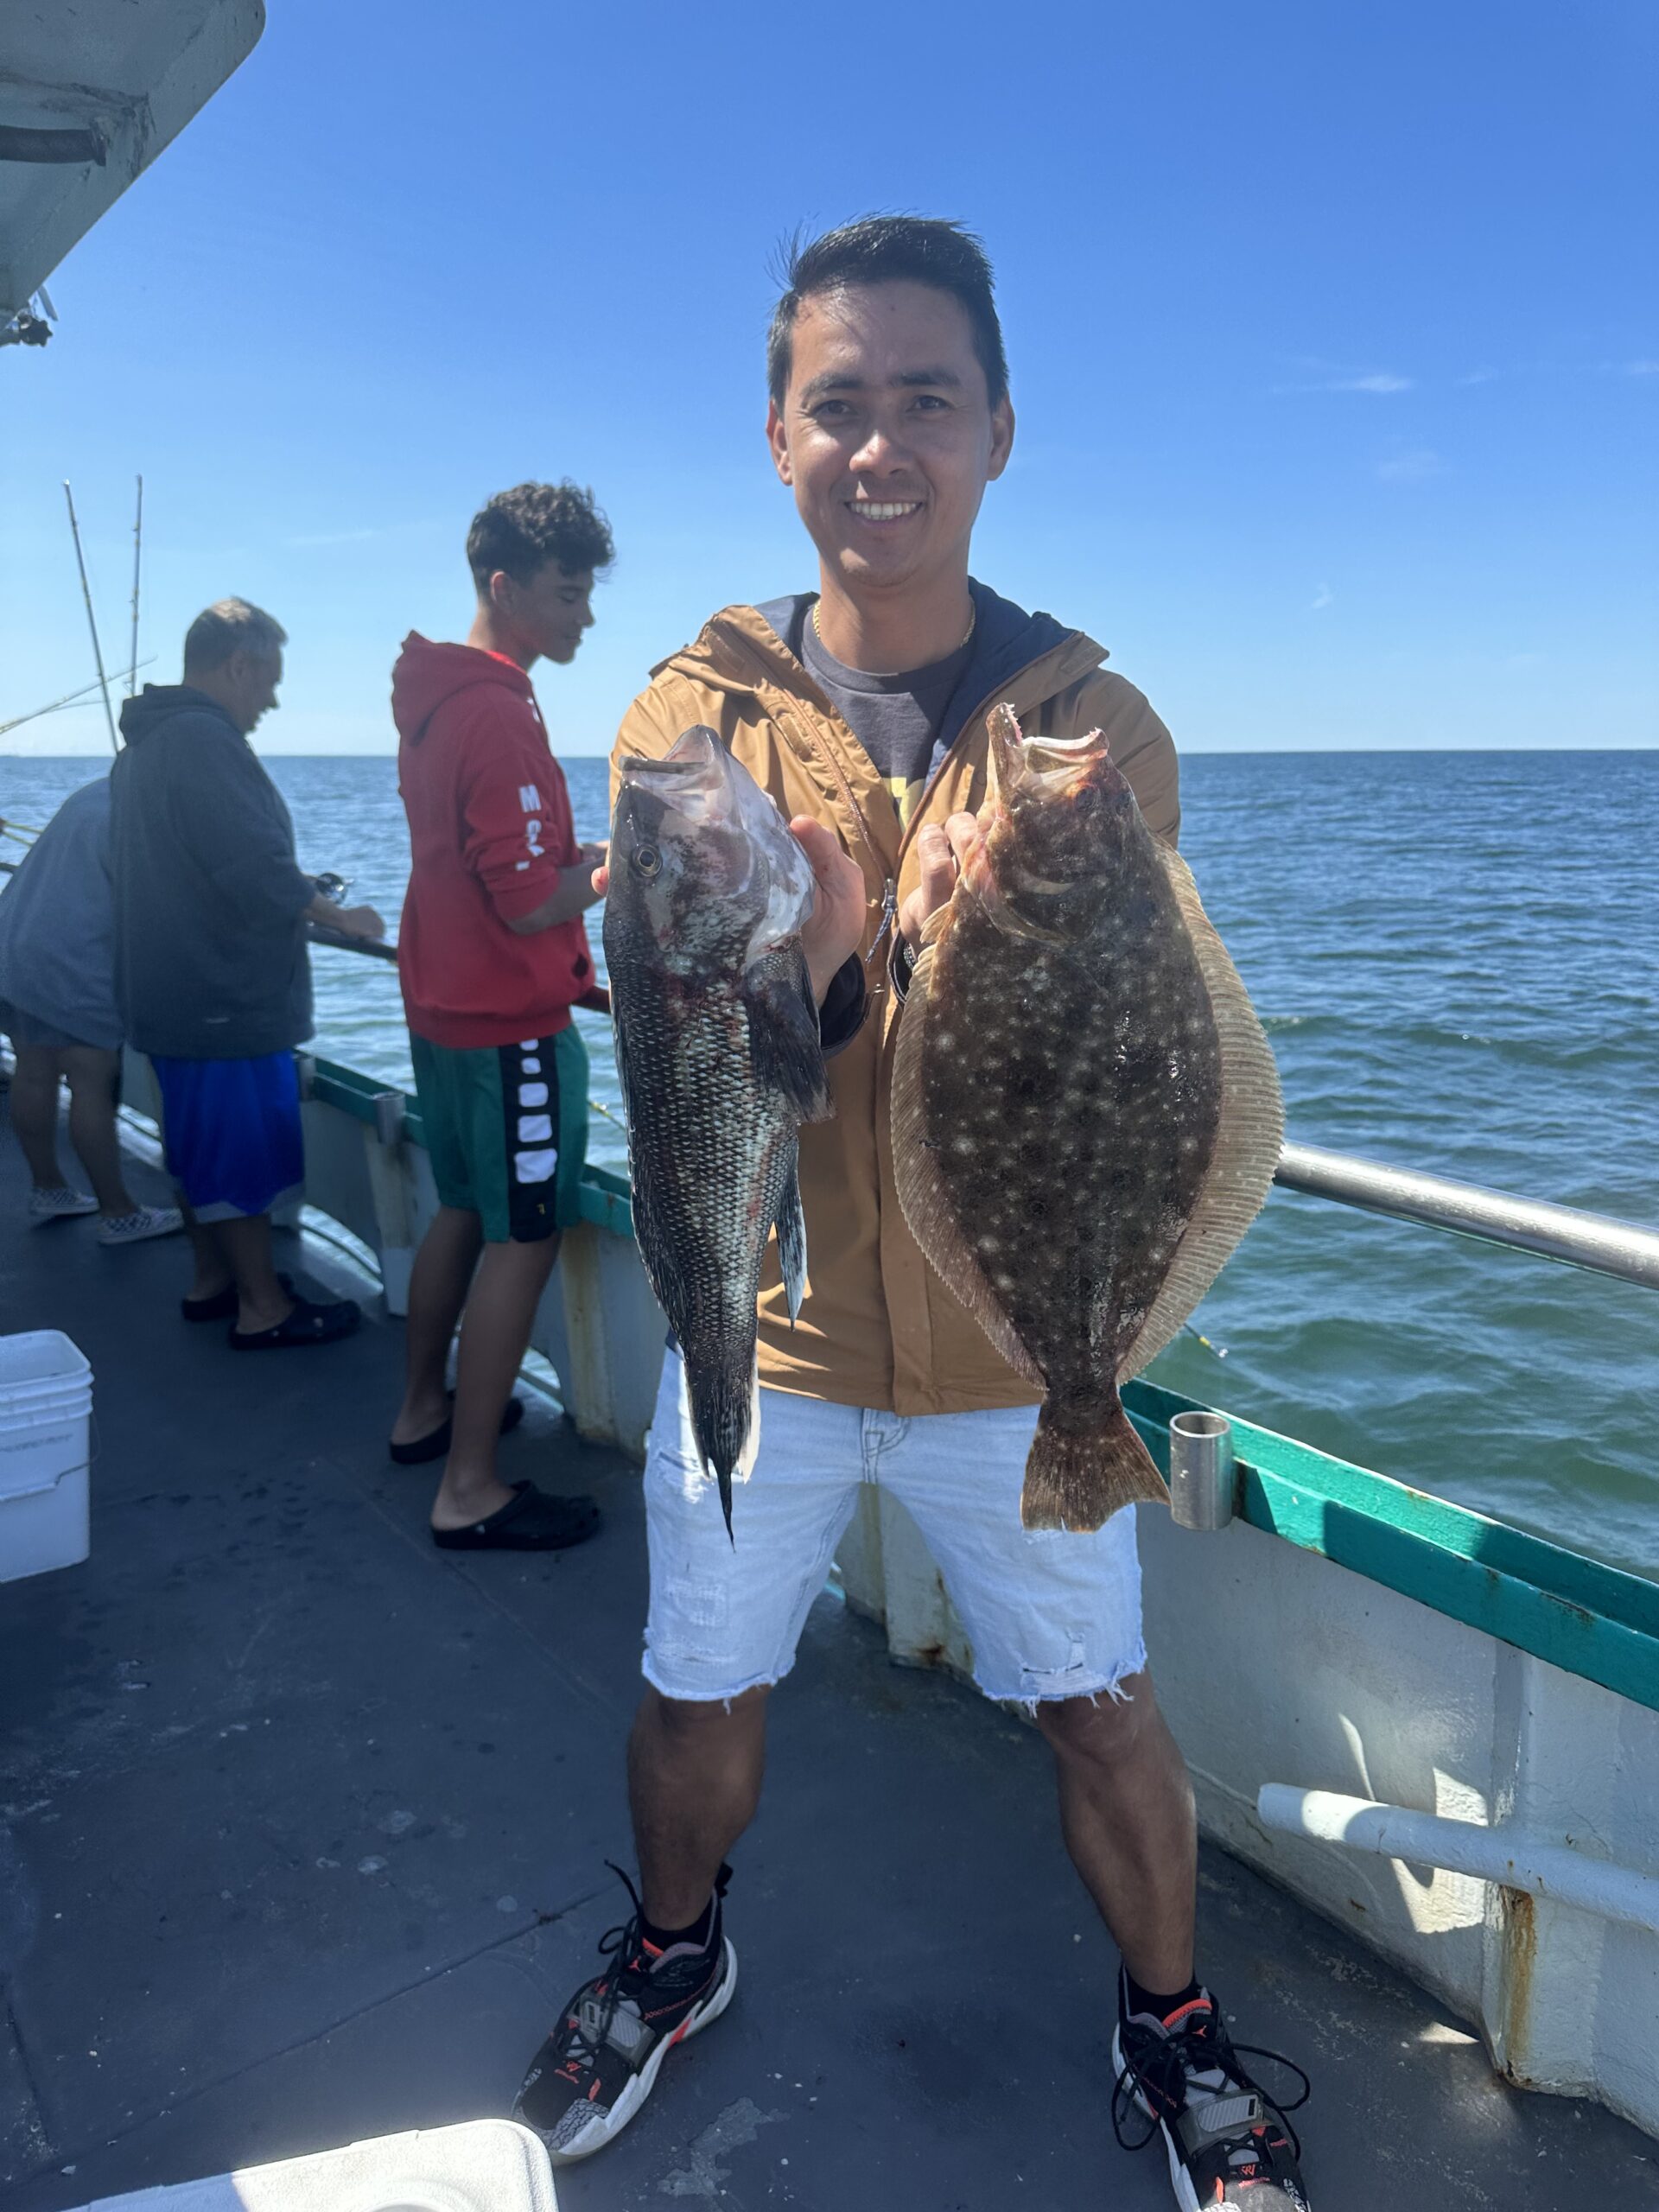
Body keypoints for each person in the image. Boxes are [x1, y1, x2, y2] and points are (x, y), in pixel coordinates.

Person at [512, 222, 1314, 2209]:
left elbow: (1100, 1039)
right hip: (767, 1329)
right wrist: (835, 963)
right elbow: (695, 1043)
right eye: (841, 404)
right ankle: (673, 1954)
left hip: (1013, 1351)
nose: (885, 445)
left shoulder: (1095, 721)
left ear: (998, 431)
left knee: (1101, 1714)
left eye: (926, 401)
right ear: (781, 440)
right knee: (697, 1691)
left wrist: (922, 926)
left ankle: (1176, 2028)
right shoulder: (682, 719)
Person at [387, 483, 613, 1554]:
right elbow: (529, 897)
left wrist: (575, 966)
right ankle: (469, 1488)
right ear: (505, 586)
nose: (584, 618)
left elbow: (484, 883)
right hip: (509, 1035)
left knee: (462, 1210)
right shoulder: (497, 711)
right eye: (569, 595)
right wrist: (623, 866)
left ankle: (423, 1410)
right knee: (523, 1238)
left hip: (442, 1009)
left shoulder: (435, 699)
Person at [110, 599, 385, 1344]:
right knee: (239, 1153)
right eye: (268, 680)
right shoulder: (204, 741)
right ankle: (264, 1308)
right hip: (221, 1001)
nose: (272, 698)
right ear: (238, 665)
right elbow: (250, 866)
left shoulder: (146, 746)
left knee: (196, 1148)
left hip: (171, 994)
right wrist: (338, 916)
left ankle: (215, 1283)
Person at [0, 777, 181, 1243]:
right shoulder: (148, 809)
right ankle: (119, 1213)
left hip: (15, 943)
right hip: (71, 958)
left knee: (34, 1070)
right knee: (91, 1079)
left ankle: (49, 1188)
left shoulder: (96, 793)